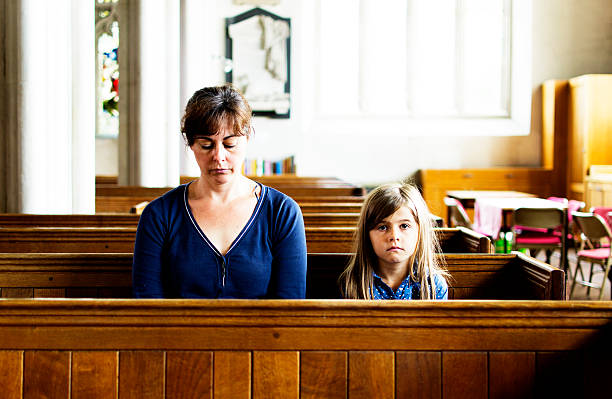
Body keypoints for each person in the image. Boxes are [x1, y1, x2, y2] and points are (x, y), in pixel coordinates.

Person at [132, 84, 307, 298]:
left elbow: (289, 304)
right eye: (206, 145)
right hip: (177, 331)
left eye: (230, 144)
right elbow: (148, 306)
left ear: (247, 138)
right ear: (191, 144)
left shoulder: (281, 212)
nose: (219, 157)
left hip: (264, 332)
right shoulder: (159, 215)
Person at [340, 182, 449, 300]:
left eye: (404, 226)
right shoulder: (352, 284)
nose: (394, 236)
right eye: (382, 227)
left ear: (420, 231)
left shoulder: (433, 285)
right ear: (367, 235)